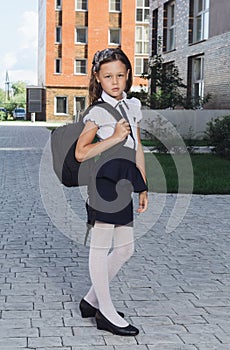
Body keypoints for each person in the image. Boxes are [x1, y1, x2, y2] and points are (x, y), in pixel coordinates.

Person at [75, 48, 148, 336]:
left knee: (126, 248)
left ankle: (90, 301)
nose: (115, 81)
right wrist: (115, 137)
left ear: (128, 75)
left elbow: (137, 147)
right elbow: (81, 153)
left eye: (120, 75)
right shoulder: (97, 112)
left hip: (125, 183)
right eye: (108, 76)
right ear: (98, 78)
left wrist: (143, 186)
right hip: (103, 183)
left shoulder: (132, 107)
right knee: (101, 246)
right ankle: (105, 312)